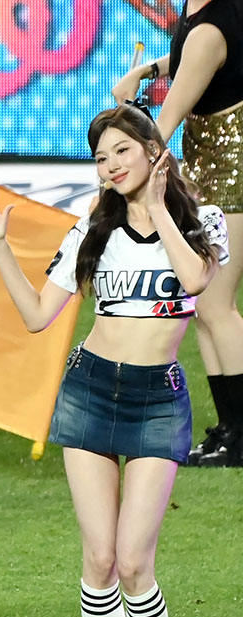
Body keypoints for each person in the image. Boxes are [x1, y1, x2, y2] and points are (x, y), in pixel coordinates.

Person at [0, 105, 228, 617]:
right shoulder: (92, 229)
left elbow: (196, 280)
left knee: (135, 560)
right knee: (99, 558)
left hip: (157, 401)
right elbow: (38, 316)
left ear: (152, 150)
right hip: (89, 391)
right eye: (100, 158)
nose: (110, 166)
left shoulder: (203, 223)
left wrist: (160, 208)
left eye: (121, 151)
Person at [112, 0, 243, 465]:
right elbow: (185, 53)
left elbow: (163, 126)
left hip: (232, 173)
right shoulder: (200, 14)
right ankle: (230, 430)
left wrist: (117, 165)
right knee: (207, 307)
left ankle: (240, 435)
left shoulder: (212, 30)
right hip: (209, 165)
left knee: (217, 306)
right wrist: (146, 70)